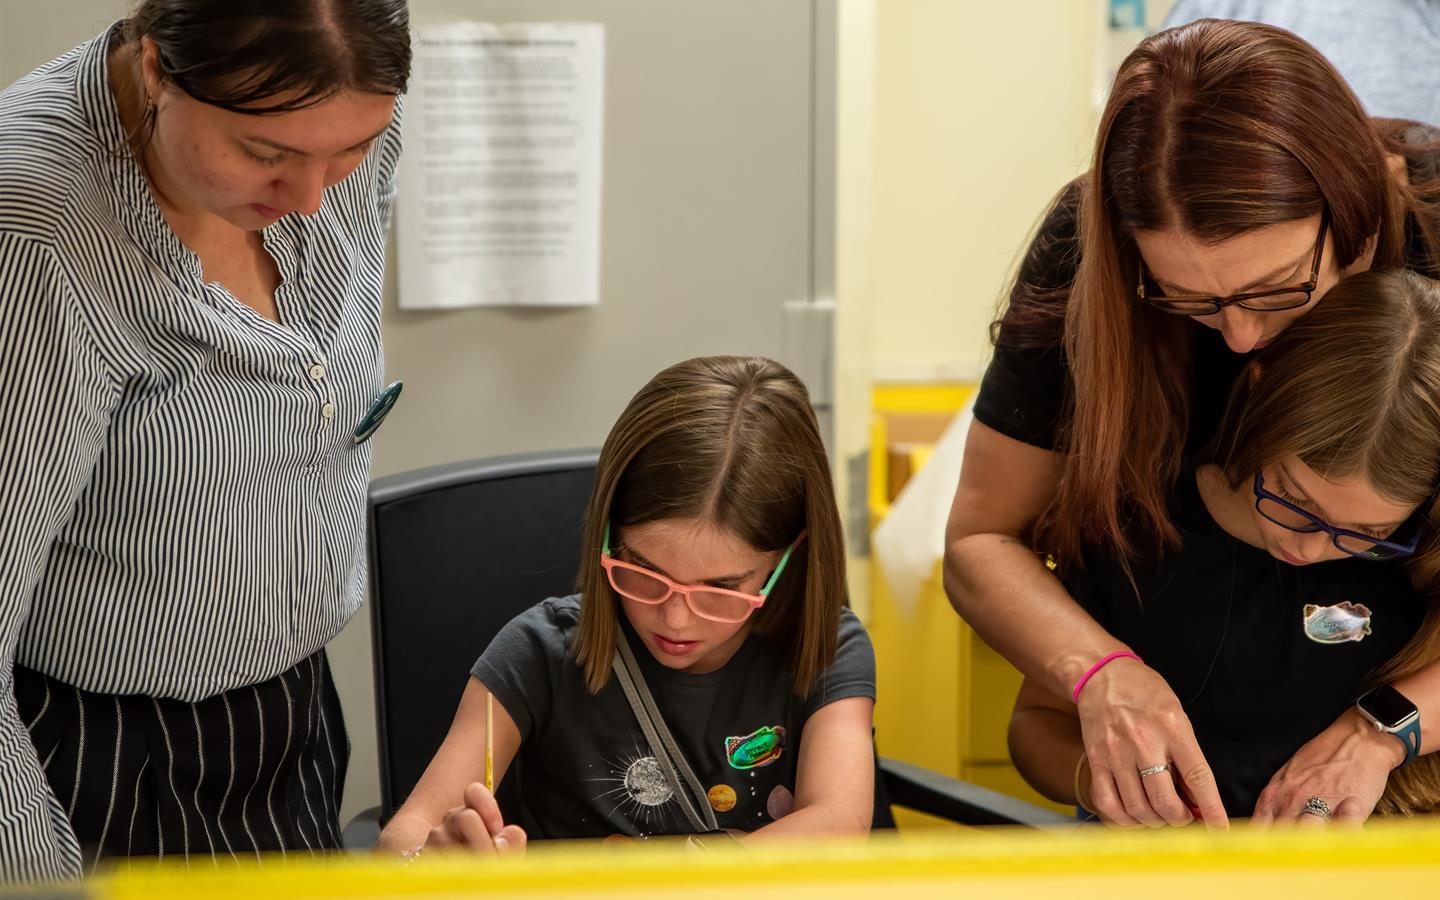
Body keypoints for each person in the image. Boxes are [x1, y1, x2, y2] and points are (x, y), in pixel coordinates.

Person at [944, 19, 1440, 830]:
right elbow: (981, 539)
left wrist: (1388, 729)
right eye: (1188, 299)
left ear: (1355, 213)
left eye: (1278, 288)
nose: (1241, 338)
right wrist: (1100, 674)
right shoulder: (1091, 257)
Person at [0, 0, 409, 879]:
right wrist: (38, 878)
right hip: (104, 753)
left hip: (292, 712)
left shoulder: (332, 122)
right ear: (156, 68)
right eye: (265, 154)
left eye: (353, 150)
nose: (311, 199)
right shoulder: (33, 233)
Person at [1166, 0, 1440, 819]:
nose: (1242, 335)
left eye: (1359, 533)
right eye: (1288, 505)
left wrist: (1396, 729)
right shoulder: (1229, 19)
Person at [1009, 269, 1440, 821]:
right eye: (1292, 498)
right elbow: (1035, 726)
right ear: (1259, 397)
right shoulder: (1136, 525)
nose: (1308, 549)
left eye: (1368, 533)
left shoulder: (1435, 562)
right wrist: (1121, 793)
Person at [375, 357, 876, 854]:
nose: (676, 618)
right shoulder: (535, 653)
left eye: (721, 588)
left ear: (791, 555)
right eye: (644, 570)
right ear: (608, 533)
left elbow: (838, 821)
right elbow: (405, 833)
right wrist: (426, 858)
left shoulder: (827, 647)